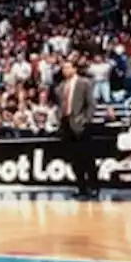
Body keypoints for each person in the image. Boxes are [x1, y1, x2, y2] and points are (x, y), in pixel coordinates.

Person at [55, 59, 98, 198]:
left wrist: (86, 119)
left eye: (67, 67)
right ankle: (81, 187)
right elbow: (59, 105)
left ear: (74, 69)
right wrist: (59, 118)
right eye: (63, 68)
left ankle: (94, 187)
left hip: (81, 125)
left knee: (88, 158)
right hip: (66, 125)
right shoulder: (60, 87)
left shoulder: (84, 83)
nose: (65, 70)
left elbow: (91, 104)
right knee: (74, 159)